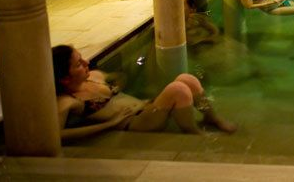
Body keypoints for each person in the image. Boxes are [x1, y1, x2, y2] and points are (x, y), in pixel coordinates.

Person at [52, 45, 236, 140]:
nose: (86, 63)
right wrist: (109, 125)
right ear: (65, 78)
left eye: (81, 57)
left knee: (187, 79)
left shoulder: (94, 76)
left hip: (147, 107)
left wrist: (118, 85)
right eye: (78, 64)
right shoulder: (69, 101)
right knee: (178, 89)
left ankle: (212, 118)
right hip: (136, 123)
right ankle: (194, 132)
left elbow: (120, 76)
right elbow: (58, 135)